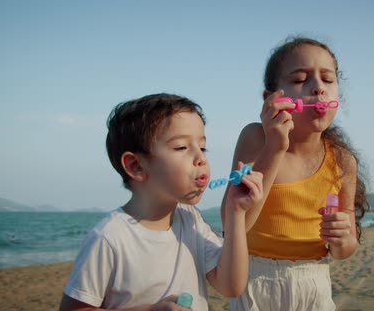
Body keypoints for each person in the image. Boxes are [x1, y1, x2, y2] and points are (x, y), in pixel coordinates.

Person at [59, 93, 264, 311]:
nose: (201, 158)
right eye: (181, 147)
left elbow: (230, 286)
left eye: (202, 147)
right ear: (136, 166)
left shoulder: (190, 220)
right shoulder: (110, 238)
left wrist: (236, 213)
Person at [221, 36, 368, 311]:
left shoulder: (343, 161)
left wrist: (344, 240)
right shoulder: (256, 138)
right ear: (271, 99)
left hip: (314, 285)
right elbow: (233, 225)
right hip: (254, 282)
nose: (318, 89)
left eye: (328, 80)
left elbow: (343, 250)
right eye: (301, 80)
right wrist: (275, 147)